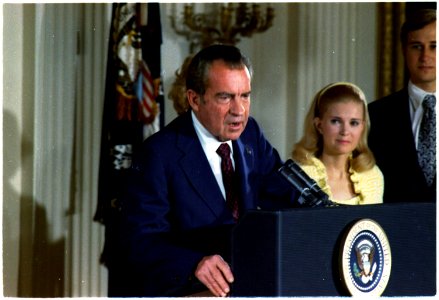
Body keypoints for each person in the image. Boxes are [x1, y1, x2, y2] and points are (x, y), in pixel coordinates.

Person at [118, 44, 298, 297]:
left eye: (245, 95)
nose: (239, 110)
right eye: (225, 97)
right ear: (194, 99)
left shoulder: (250, 135)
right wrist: (193, 264)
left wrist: (325, 213)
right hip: (190, 290)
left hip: (249, 283)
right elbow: (140, 241)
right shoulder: (159, 153)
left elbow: (286, 192)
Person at [368, 9, 436, 203]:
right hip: (397, 229)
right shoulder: (376, 115)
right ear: (404, 50)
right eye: (416, 46)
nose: (425, 56)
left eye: (434, 46)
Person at [292, 82, 384, 205]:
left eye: (354, 123)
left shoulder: (372, 176)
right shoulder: (300, 177)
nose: (345, 131)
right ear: (319, 125)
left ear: (362, 127)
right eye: (336, 121)